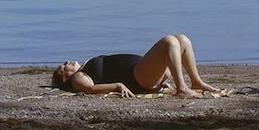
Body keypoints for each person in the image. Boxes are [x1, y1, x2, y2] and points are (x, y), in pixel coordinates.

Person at [52, 34, 220, 99]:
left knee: (182, 39)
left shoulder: (84, 68)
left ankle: (196, 81)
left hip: (144, 73)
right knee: (169, 41)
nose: (67, 61)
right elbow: (90, 89)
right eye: (63, 66)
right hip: (138, 78)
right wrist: (117, 86)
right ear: (66, 76)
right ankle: (182, 88)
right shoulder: (78, 79)